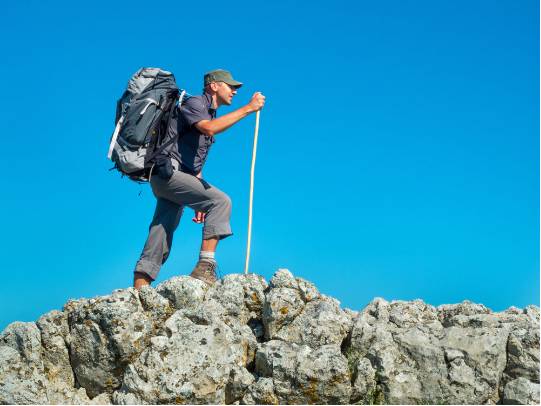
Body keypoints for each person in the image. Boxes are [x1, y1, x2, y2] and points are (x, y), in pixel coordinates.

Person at [133, 69, 265, 289]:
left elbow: (193, 162)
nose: (234, 91)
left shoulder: (207, 111)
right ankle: (205, 266)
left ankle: (140, 286)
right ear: (214, 85)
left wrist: (197, 195)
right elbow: (209, 129)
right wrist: (249, 109)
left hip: (169, 176)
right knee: (220, 201)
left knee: (162, 228)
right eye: (230, 86)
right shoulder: (196, 103)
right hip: (168, 173)